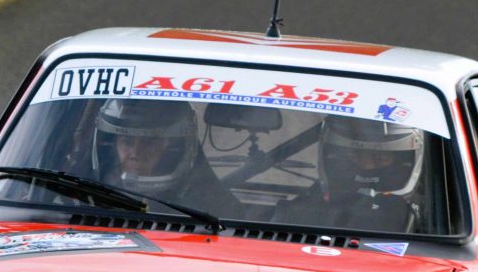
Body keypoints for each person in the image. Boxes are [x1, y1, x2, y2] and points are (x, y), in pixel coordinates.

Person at [276, 115, 424, 232]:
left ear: (403, 162)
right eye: (355, 155)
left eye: (379, 158)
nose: (366, 165)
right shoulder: (302, 210)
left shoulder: (433, 217)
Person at [92, 99, 241, 213]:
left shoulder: (213, 208)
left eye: (149, 143)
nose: (136, 154)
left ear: (173, 149)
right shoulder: (83, 193)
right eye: (127, 142)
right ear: (112, 146)